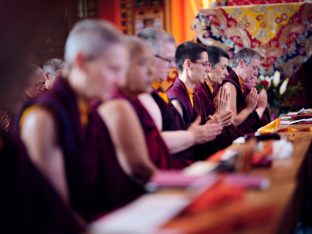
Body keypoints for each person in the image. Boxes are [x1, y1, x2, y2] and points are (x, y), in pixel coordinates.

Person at [17, 19, 148, 222]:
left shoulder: (89, 111)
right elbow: (57, 214)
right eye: (113, 69)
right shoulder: (44, 119)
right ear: (82, 63)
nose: (120, 81)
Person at [137, 28, 222, 166]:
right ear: (147, 56)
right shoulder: (171, 96)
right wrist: (193, 136)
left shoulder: (154, 93)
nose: (172, 66)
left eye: (172, 60)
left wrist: (205, 129)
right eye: (168, 60)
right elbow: (151, 145)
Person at [166, 41, 224, 158]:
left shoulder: (193, 93)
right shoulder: (175, 98)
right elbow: (179, 144)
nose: (208, 70)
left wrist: (211, 124)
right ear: (188, 64)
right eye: (204, 64)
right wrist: (207, 128)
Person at [193, 45, 243, 149]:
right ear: (209, 67)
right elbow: (200, 132)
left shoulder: (214, 89)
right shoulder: (198, 93)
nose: (226, 73)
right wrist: (219, 113)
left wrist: (225, 117)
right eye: (223, 67)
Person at [222, 48, 267, 133]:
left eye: (257, 69)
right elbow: (232, 122)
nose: (256, 73)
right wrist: (249, 108)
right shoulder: (230, 85)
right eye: (254, 68)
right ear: (242, 63)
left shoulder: (240, 85)